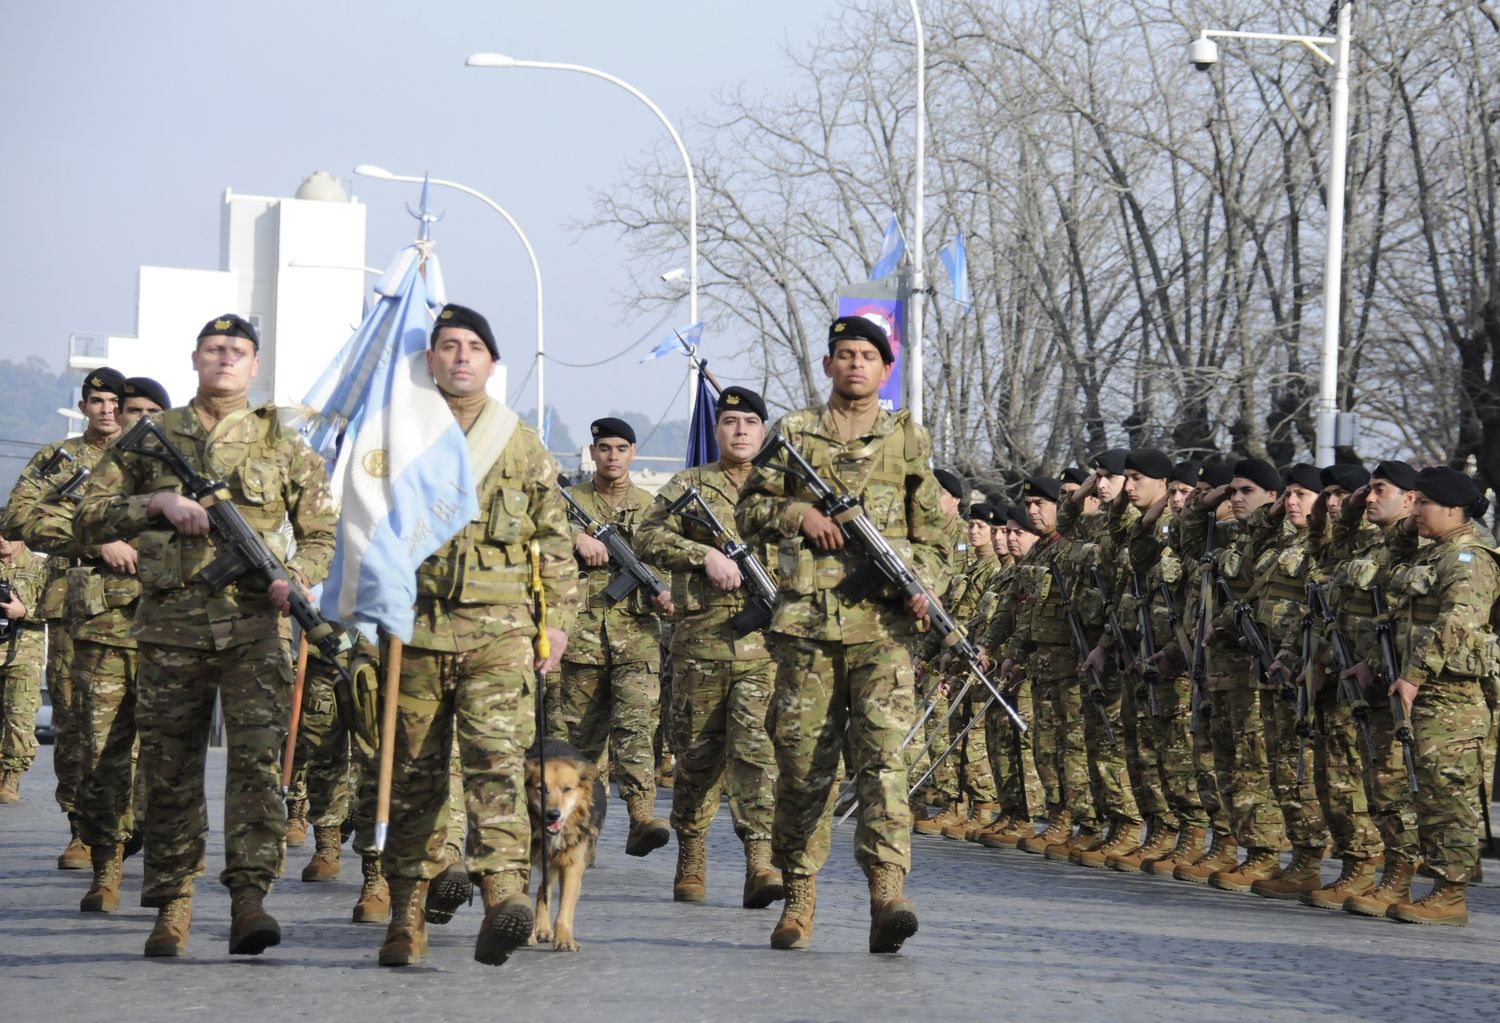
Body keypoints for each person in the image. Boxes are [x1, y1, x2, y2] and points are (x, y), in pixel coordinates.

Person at [76, 315, 336, 958]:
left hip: (256, 629)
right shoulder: (150, 437)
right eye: (215, 349)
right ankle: (172, 906)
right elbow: (86, 516)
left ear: (254, 365)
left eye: (238, 351)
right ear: (196, 357)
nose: (225, 359)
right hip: (169, 630)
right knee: (169, 771)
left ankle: (249, 901)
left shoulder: (283, 442)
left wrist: (296, 577)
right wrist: (155, 506)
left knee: (254, 769)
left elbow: (323, 532)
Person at [374, 303, 579, 967]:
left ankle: (504, 897)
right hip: (418, 627)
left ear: (492, 363)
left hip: (500, 633)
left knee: (495, 760)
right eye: (449, 345)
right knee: (414, 776)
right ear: (429, 359)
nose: (461, 356)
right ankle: (407, 915)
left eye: (474, 347)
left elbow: (554, 540)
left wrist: (556, 624)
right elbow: (363, 521)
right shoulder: (401, 433)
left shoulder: (520, 442)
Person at [737, 314, 950, 954]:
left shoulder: (907, 438)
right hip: (806, 630)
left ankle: (887, 895)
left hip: (883, 633)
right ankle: (799, 897)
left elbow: (934, 533)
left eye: (867, 355)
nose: (855, 364)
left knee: (885, 764)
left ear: (885, 370)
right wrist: (799, 513)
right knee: (804, 770)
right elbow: (750, 509)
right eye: (844, 354)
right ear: (828, 365)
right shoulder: (795, 433)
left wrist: (924, 582)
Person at [25, 375, 169, 913]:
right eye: (123, 408)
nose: (130, 416)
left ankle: (159, 858)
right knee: (95, 746)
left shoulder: (190, 470)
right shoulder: (78, 467)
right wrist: (98, 538)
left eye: (146, 409)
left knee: (164, 757)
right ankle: (99, 855)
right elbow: (25, 517)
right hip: (98, 624)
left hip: (169, 630)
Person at [635, 385, 782, 908]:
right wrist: (702, 555)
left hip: (764, 649)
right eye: (730, 422)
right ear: (716, 430)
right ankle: (692, 854)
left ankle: (760, 862)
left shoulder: (783, 490)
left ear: (763, 431)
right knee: (696, 758)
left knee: (757, 755)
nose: (740, 431)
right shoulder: (689, 484)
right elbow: (646, 537)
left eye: (749, 422)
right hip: (701, 645)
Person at [2, 367, 126, 868]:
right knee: (75, 722)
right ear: (83, 406)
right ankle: (80, 827)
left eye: (116, 401)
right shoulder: (58, 459)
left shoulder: (150, 460)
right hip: (73, 607)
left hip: (140, 605)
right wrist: (90, 536)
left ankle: (129, 822)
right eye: (97, 400)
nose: (107, 410)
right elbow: (16, 517)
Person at [1381, 467, 1499, 925]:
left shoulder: (1469, 559)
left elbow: (1458, 623)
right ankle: (1437, 886)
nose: (1415, 511)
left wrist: (1411, 675)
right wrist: (1404, 534)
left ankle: (1450, 894)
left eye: (1423, 503)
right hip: (1429, 694)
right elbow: (1386, 582)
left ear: (1452, 508)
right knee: (1426, 795)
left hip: (1452, 699)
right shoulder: (1435, 555)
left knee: (1447, 796)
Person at [559, 416, 674, 856]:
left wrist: (663, 592)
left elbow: (666, 554)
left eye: (621, 449)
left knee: (636, 728)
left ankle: (641, 816)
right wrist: (575, 536)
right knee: (580, 741)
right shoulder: (569, 502)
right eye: (604, 448)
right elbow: (539, 534)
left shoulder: (651, 506)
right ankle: (576, 831)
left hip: (637, 637)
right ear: (592, 453)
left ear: (633, 454)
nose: (612, 456)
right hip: (582, 638)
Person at [0, 518, 47, 804]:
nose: (2, 540)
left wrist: (25, 611)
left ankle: (11, 778)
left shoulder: (40, 568)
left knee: (19, 718)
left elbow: (56, 609)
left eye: (8, 534)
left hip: (24, 654)